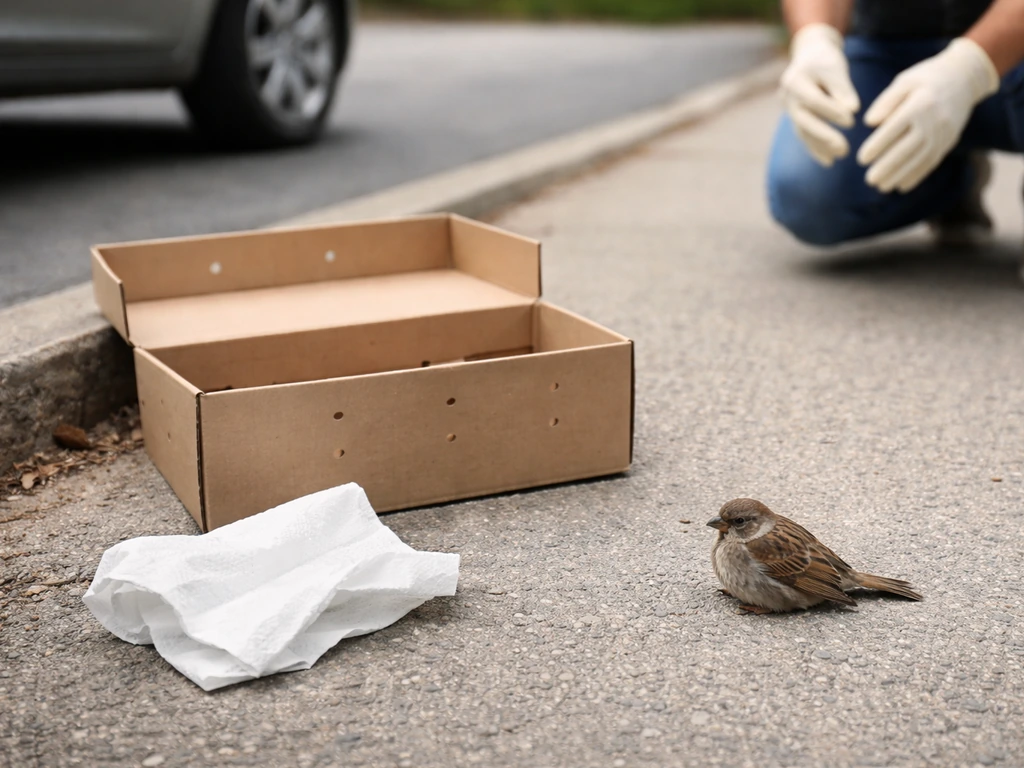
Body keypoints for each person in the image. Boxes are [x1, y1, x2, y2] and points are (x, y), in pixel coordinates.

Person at [767, 0, 1024, 248]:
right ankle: (947, 177)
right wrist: (814, 37)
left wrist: (970, 67)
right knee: (809, 193)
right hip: (889, 47)